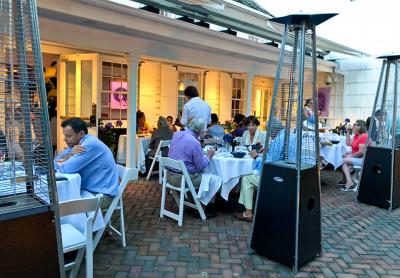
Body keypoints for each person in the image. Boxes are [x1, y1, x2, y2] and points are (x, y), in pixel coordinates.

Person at [54, 118, 119, 201]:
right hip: (93, 189)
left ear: (81, 133)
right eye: (65, 135)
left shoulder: (88, 145)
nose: (65, 139)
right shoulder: (78, 144)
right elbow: (58, 158)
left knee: (62, 202)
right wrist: (70, 154)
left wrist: (65, 158)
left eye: (69, 136)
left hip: (102, 194)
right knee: (60, 198)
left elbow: (65, 169)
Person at [168, 118, 216, 217]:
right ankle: (201, 208)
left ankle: (193, 204)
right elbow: (200, 167)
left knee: (192, 173)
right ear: (199, 130)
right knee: (215, 179)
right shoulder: (194, 142)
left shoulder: (176, 134)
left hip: (170, 175)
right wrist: (209, 156)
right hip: (182, 179)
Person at [340, 120, 368, 191]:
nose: (352, 126)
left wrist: (350, 156)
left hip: (363, 159)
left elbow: (361, 152)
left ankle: (349, 182)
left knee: (343, 161)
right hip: (357, 157)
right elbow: (348, 143)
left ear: (360, 126)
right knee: (341, 157)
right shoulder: (356, 135)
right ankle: (345, 180)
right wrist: (348, 132)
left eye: (354, 124)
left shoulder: (364, 136)